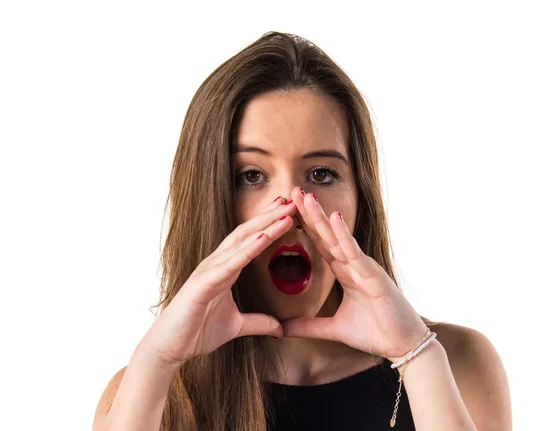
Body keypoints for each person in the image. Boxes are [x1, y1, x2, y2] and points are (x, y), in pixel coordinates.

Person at [93, 31, 511, 431]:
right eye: (252, 175)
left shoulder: (458, 363)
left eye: (321, 174)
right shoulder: (144, 391)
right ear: (210, 199)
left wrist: (415, 355)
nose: (291, 207)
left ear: (361, 198)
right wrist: (157, 360)